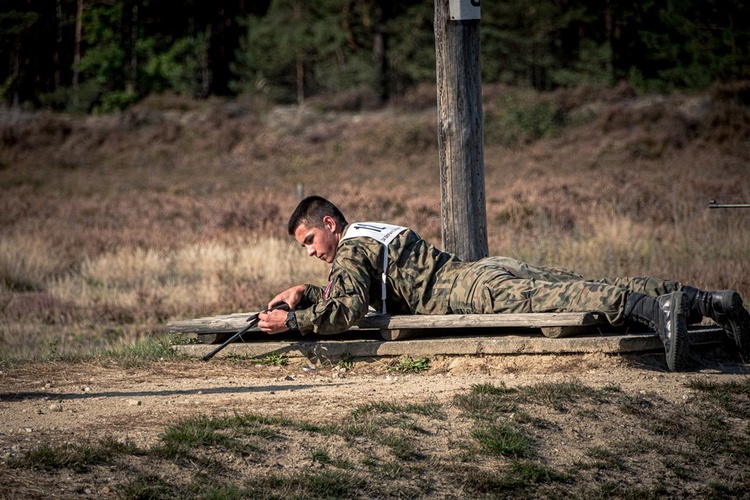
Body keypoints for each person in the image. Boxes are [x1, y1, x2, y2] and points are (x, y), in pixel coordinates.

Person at [259, 196, 750, 372]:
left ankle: (655, 311)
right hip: (481, 270)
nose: (311, 250)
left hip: (465, 292)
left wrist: (293, 321)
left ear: (327, 222)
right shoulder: (368, 231)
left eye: (308, 240)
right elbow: (357, 289)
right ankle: (706, 299)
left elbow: (345, 311)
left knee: (566, 299)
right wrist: (306, 290)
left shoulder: (350, 248)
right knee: (583, 282)